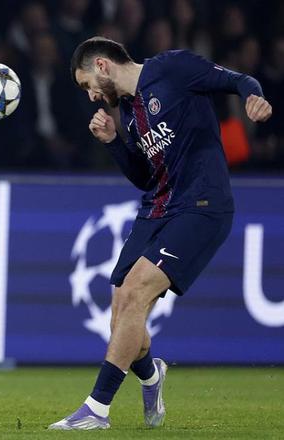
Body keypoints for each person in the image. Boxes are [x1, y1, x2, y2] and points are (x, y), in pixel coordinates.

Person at [49, 37, 272, 430]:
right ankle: (152, 376)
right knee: (121, 309)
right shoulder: (129, 112)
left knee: (136, 292)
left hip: (202, 205)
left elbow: (237, 80)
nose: (91, 96)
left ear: (102, 65)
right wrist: (113, 142)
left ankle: (96, 410)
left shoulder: (173, 68)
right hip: (157, 209)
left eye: (87, 85)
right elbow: (143, 177)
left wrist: (254, 97)